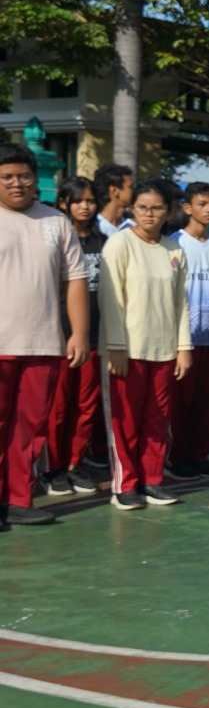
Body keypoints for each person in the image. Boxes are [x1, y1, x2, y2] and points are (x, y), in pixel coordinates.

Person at [0, 146, 89, 528]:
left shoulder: (57, 222)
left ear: (37, 179)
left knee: (30, 427)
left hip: (44, 343)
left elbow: (76, 281)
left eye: (23, 176)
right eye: (7, 177)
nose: (16, 183)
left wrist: (80, 333)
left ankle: (19, 499)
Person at [99, 179, 192, 510]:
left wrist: (184, 347)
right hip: (127, 351)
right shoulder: (119, 244)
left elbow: (181, 303)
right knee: (125, 421)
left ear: (168, 212)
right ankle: (126, 484)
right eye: (142, 208)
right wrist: (115, 346)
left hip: (164, 351)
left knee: (157, 421)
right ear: (131, 209)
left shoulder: (174, 249)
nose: (149, 214)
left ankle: (153, 480)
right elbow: (111, 300)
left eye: (156, 208)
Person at [44, 178, 109, 498]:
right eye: (78, 200)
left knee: (86, 406)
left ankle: (74, 463)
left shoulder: (103, 241)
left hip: (95, 337)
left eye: (90, 200)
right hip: (58, 336)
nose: (85, 206)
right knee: (57, 407)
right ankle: (53, 468)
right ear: (63, 204)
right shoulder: (55, 239)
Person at [167, 183, 209, 476]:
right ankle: (178, 457)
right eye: (202, 204)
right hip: (184, 340)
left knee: (208, 401)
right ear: (188, 208)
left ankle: (201, 454)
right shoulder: (174, 244)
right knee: (182, 402)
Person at [91, 164, 134, 238]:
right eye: (131, 187)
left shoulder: (134, 225)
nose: (134, 191)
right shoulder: (93, 228)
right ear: (114, 191)